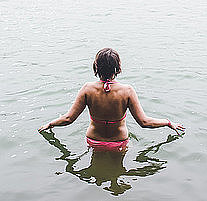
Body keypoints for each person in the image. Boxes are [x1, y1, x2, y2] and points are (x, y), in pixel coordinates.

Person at [38, 48, 184, 150]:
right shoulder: (127, 91)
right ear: (118, 67)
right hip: (119, 143)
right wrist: (168, 122)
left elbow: (69, 118)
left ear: (96, 67)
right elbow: (144, 122)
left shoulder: (87, 89)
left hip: (93, 141)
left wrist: (50, 124)